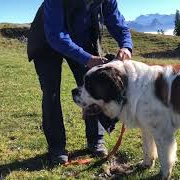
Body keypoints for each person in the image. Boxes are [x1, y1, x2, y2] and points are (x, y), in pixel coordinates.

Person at [27, 0, 133, 165]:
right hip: (47, 41)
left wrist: (126, 46)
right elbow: (56, 35)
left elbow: (118, 23)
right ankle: (57, 148)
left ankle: (96, 140)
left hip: (82, 41)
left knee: (93, 87)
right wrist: (87, 59)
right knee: (51, 92)